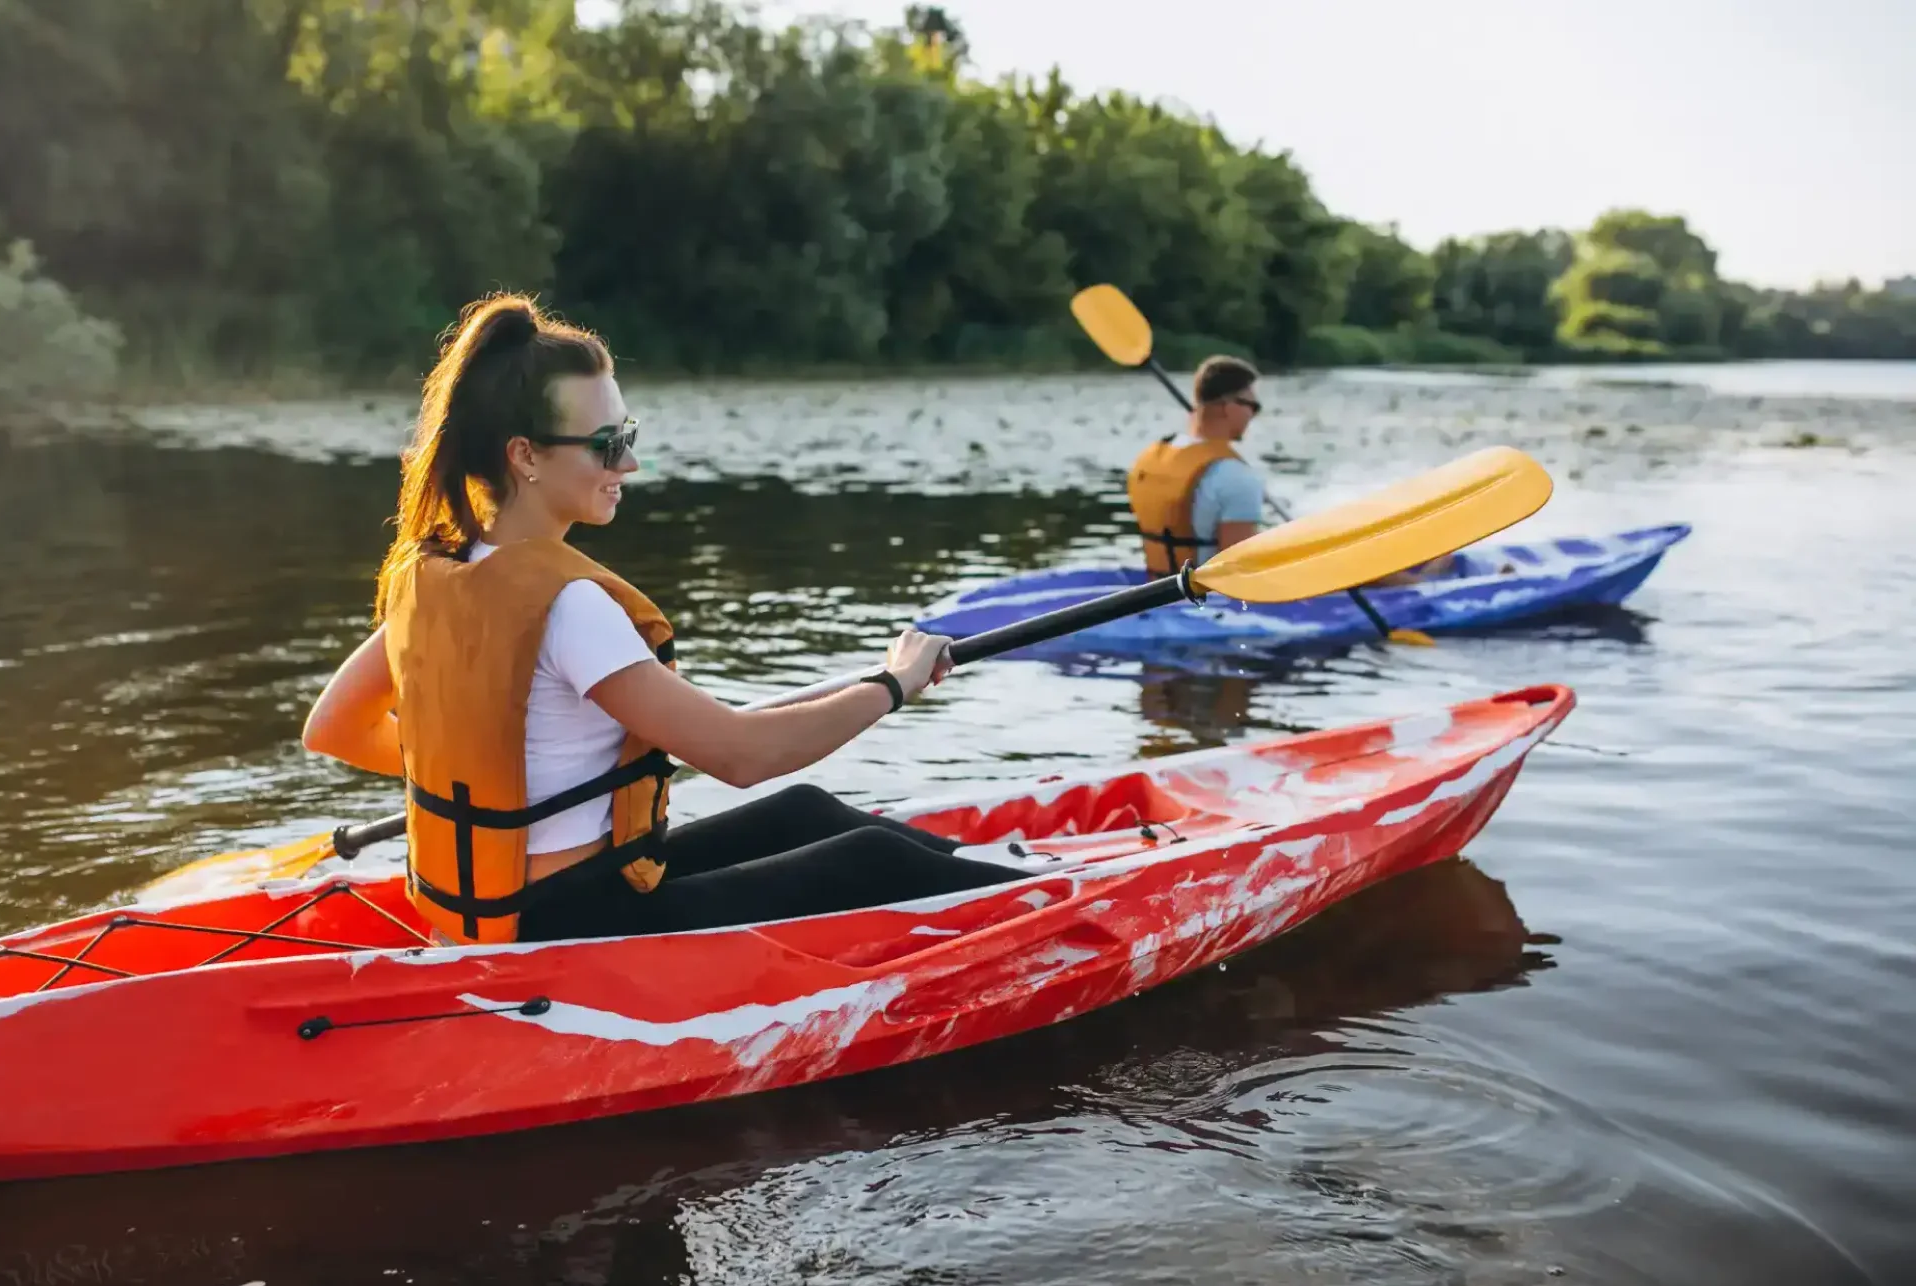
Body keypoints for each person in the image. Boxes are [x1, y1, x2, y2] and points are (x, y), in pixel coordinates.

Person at [300, 293, 1028, 947]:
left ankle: (1017, 873)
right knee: (869, 859)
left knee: (802, 812)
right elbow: (740, 757)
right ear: (525, 456)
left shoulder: (436, 574)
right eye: (607, 445)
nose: (630, 464)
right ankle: (1050, 907)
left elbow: (333, 727)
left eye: (628, 434)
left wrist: (490, 771)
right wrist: (895, 683)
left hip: (514, 902)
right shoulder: (569, 604)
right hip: (573, 919)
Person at [1124, 354, 1460, 585]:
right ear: (1228, 408)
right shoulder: (1233, 476)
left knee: (1320, 545)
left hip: (1164, 582)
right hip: (1212, 597)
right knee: (1337, 557)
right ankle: (1420, 585)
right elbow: (1235, 571)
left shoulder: (1151, 457)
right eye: (1252, 405)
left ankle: (1412, 571)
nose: (1254, 415)